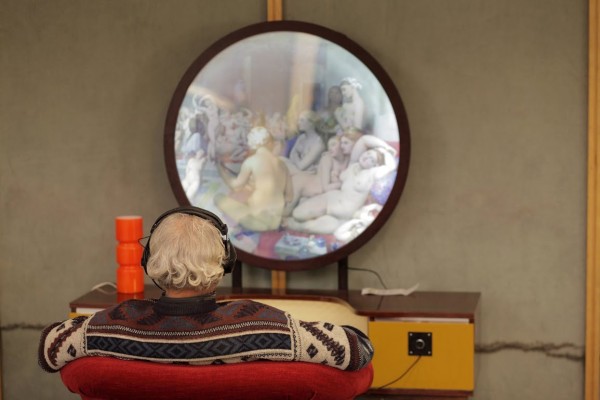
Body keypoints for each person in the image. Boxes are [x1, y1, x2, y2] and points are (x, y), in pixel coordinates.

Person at [38, 207, 374, 373]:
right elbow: (358, 350)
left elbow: (49, 350)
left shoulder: (107, 325)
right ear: (225, 262)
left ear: (149, 260)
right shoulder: (267, 325)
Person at [286, 135, 397, 234]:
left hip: (341, 215)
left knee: (307, 226)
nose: (366, 157)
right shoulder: (354, 164)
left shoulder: (372, 174)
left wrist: (387, 151)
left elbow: (391, 166)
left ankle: (302, 225)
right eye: (367, 153)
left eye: (371, 159)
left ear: (376, 165)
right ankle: (309, 214)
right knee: (297, 214)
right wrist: (385, 146)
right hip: (330, 199)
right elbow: (364, 140)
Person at [215, 126, 291, 231]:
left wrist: (221, 169)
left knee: (218, 198)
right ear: (270, 143)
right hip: (275, 221)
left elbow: (234, 185)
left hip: (256, 218)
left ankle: (257, 225)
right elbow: (289, 197)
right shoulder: (282, 164)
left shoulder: (251, 161)